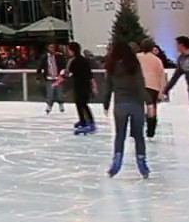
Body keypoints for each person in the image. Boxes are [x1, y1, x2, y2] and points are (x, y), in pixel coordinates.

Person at [101, 40, 152, 178]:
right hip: (136, 105)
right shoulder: (134, 66)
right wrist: (149, 102)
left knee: (120, 135)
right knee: (138, 136)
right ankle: (142, 162)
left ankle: (116, 160)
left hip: (120, 105)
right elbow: (140, 86)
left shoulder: (111, 67)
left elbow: (107, 89)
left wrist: (105, 104)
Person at [137, 43, 167, 137]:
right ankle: (151, 131)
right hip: (153, 87)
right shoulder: (157, 60)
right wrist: (161, 91)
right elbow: (161, 76)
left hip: (139, 85)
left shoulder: (137, 57)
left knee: (138, 108)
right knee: (152, 108)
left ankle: (136, 130)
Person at [66, 43, 96, 134]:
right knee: (82, 103)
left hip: (80, 85)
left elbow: (67, 73)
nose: (67, 52)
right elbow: (90, 74)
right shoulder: (84, 60)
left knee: (81, 104)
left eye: (68, 50)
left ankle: (88, 122)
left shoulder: (74, 61)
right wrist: (93, 85)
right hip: (85, 85)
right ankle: (84, 120)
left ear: (72, 50)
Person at [42, 44, 67, 115]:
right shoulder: (45, 57)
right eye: (50, 47)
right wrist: (39, 75)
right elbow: (41, 66)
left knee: (60, 92)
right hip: (49, 77)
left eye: (53, 47)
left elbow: (63, 65)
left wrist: (62, 74)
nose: (51, 49)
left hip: (58, 78)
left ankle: (61, 104)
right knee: (50, 93)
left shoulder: (59, 56)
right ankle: (49, 105)